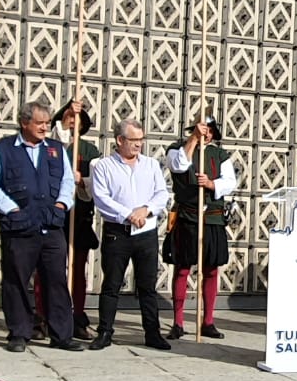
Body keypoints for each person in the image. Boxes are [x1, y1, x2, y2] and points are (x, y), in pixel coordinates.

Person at [0, 101, 82, 353]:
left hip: (50, 225)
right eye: (39, 123)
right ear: (24, 122)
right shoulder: (2, 149)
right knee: (16, 279)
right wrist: (10, 208)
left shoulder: (56, 150)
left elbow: (67, 181)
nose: (45, 128)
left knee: (56, 280)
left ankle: (61, 334)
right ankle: (19, 332)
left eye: (47, 123)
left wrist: (61, 205)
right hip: (19, 225)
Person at [90, 117, 170, 351]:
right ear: (120, 140)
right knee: (112, 284)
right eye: (133, 140)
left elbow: (161, 193)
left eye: (141, 140)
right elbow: (102, 198)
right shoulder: (103, 166)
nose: (138, 145)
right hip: (118, 232)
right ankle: (104, 332)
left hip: (146, 232)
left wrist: (146, 209)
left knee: (147, 286)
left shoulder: (151, 165)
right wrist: (128, 214)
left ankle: (152, 333)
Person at [166, 115, 236, 340]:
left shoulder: (220, 155)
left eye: (207, 130)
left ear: (213, 133)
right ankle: (177, 322)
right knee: (183, 267)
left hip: (212, 218)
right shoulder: (177, 148)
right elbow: (179, 166)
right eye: (200, 129)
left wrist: (211, 184)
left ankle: (208, 321)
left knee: (211, 269)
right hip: (187, 216)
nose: (205, 133)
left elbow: (230, 182)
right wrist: (193, 140)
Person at [47, 100, 100, 339]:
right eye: (69, 118)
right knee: (48, 267)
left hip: (78, 216)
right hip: (53, 215)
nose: (72, 123)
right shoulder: (50, 145)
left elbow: (97, 185)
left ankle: (76, 316)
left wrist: (82, 180)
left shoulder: (90, 152)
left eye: (76, 119)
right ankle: (46, 316)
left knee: (78, 269)